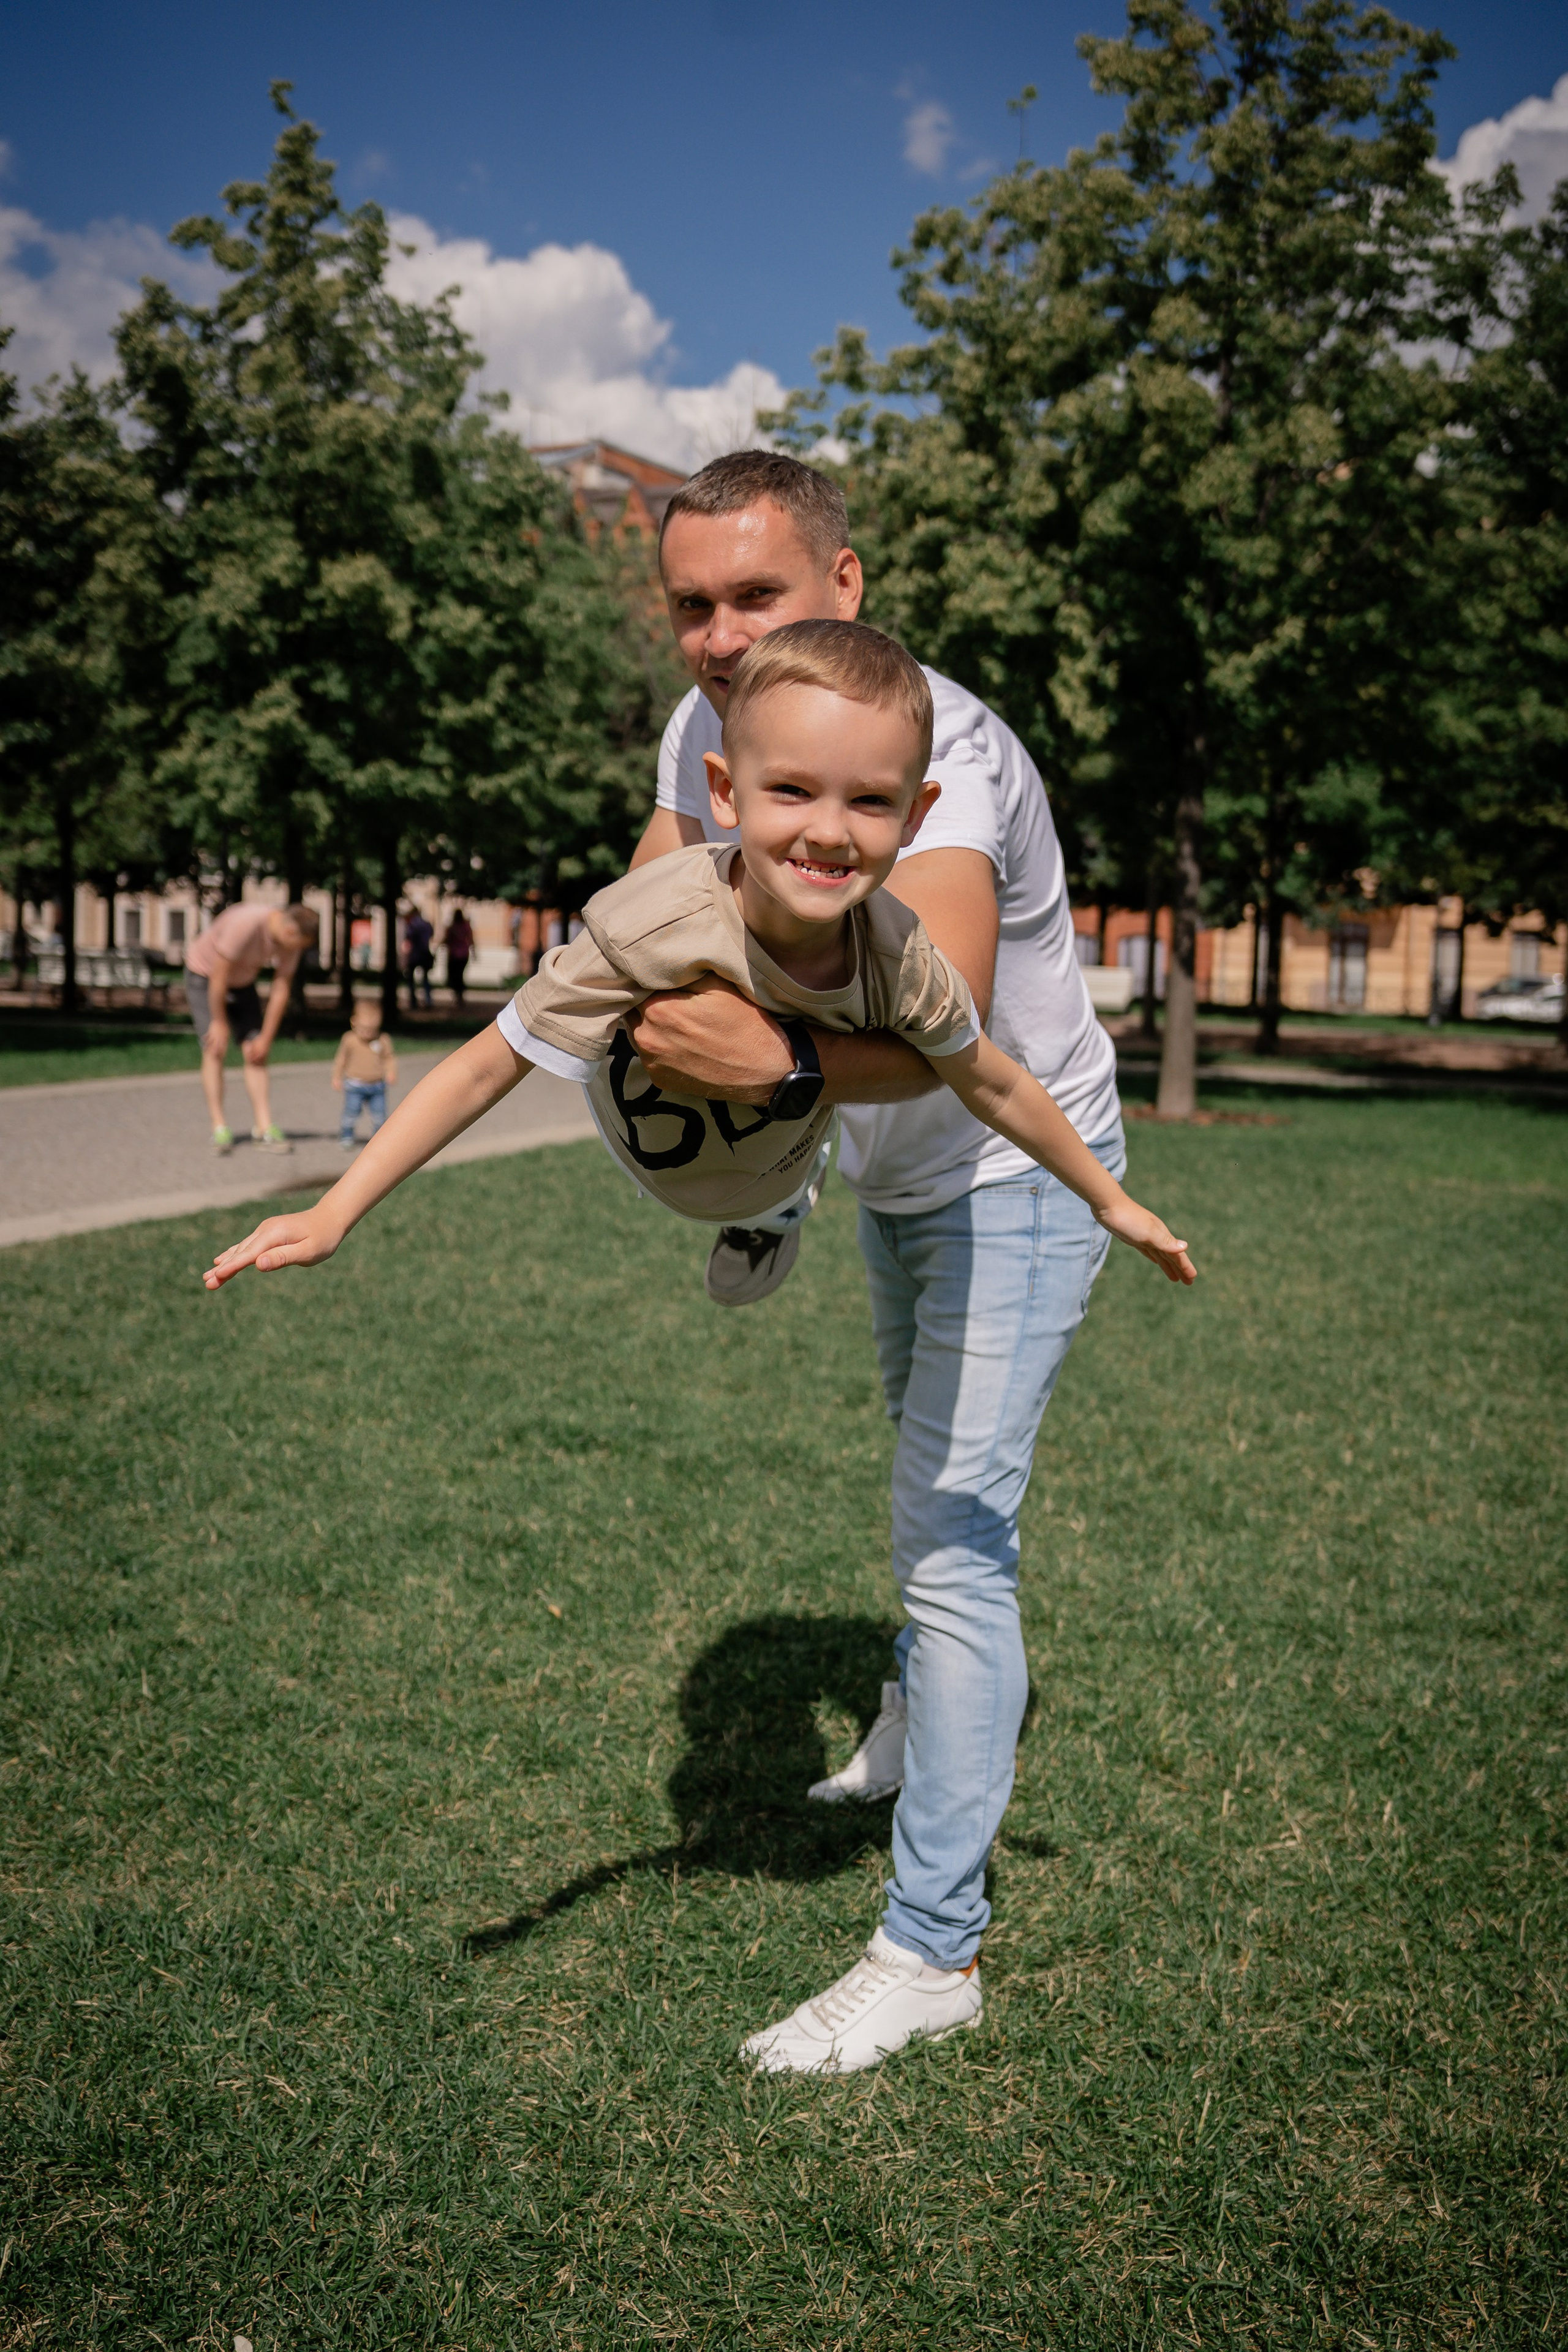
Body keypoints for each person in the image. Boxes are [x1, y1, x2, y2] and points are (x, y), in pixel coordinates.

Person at [612, 451, 1142, 2074]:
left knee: (957, 1537)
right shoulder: (709, 729)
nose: (715, 637)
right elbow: (650, 914)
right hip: (897, 1181)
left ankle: (933, 1950)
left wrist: (753, 1081)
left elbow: (948, 1027)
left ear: (844, 590)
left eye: (755, 598)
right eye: (692, 604)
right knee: (919, 1483)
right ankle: (914, 1732)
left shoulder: (953, 761)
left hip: (1017, 1165)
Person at [184, 901, 318, 1155]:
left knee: (256, 1052)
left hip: (243, 982)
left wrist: (266, 1037)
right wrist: (220, 1021)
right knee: (215, 1048)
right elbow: (219, 975)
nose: (297, 952)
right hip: (205, 976)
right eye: (299, 946)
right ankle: (219, 1127)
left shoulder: (290, 938)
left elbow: (281, 988)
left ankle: (264, 1128)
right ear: (291, 932)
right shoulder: (245, 924)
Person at [332, 998, 398, 1148]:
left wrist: (391, 1072)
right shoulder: (349, 1040)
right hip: (355, 1084)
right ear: (354, 1022)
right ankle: (347, 1135)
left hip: (377, 1085)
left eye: (372, 1030)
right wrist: (337, 1077)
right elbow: (341, 1060)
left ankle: (378, 1140)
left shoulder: (383, 1040)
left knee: (379, 1116)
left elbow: (389, 1058)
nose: (368, 1034)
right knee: (351, 1112)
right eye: (364, 1030)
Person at [404, 906, 434, 1010]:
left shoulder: (412, 924)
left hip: (415, 954)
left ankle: (413, 1002)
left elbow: (409, 938)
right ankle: (428, 1000)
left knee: (411, 979)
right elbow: (431, 935)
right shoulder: (427, 924)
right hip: (425, 953)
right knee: (425, 979)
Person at [444, 907, 474, 1006]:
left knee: (455, 976)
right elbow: (471, 940)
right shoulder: (466, 926)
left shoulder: (452, 927)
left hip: (454, 954)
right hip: (464, 954)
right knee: (460, 975)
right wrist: (473, 952)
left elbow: (447, 940)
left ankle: (457, 995)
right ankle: (460, 995)